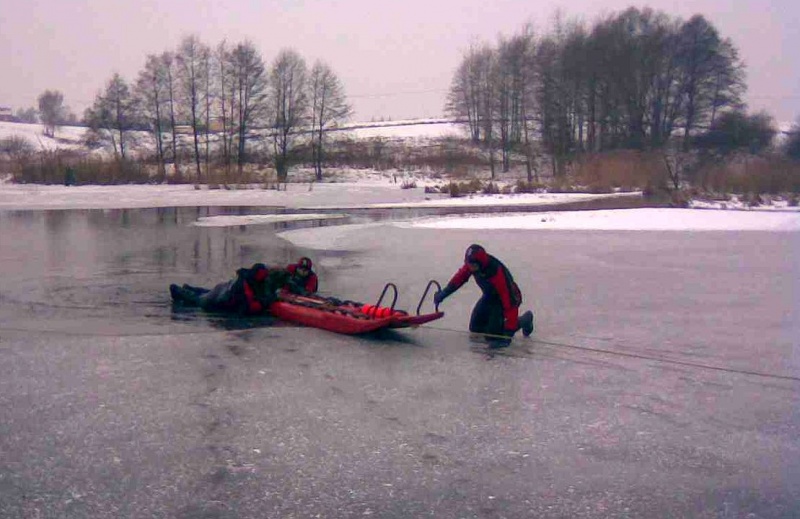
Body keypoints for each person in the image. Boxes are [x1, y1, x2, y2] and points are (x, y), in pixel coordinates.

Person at [434, 244, 534, 347]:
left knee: (493, 336)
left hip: (506, 299)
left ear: (481, 264)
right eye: (468, 265)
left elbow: (509, 302)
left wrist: (508, 334)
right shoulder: (472, 265)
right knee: (475, 329)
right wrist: (444, 294)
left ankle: (525, 319)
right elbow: (459, 279)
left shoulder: (496, 272)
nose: (470, 268)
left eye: (473, 266)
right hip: (489, 297)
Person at [170, 263, 290, 316]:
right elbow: (249, 307)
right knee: (198, 299)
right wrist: (271, 299)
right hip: (218, 301)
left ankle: (189, 288)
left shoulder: (253, 277)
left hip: (222, 289)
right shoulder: (244, 287)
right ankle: (177, 290)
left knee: (206, 293)